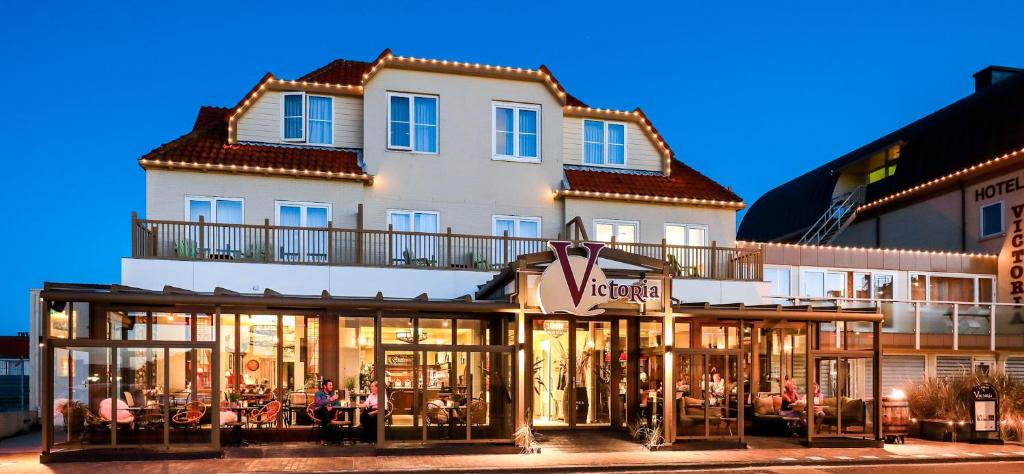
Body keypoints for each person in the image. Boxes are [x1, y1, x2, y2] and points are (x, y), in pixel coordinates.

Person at [314, 379, 338, 446]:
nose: (331, 387)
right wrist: (330, 399)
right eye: (330, 385)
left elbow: (338, 404)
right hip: (319, 412)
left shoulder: (333, 394)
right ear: (325, 386)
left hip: (329, 413)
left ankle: (324, 438)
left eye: (332, 385)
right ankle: (326, 438)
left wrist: (332, 407)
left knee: (326, 415)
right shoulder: (318, 393)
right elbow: (318, 403)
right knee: (324, 410)